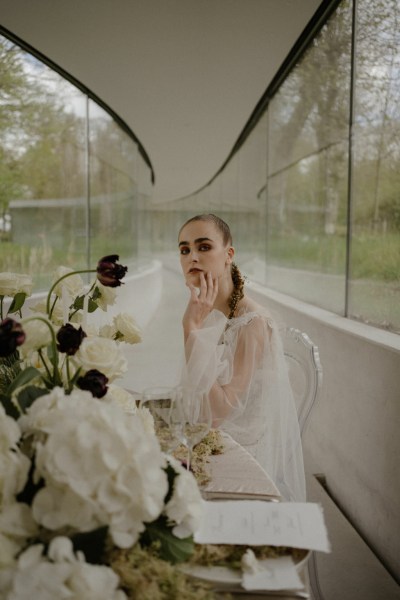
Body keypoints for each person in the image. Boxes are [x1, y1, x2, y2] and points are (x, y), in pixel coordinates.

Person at [178, 213, 306, 502]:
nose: (192, 257)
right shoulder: (206, 311)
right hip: (211, 440)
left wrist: (190, 330)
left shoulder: (253, 322)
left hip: (242, 457)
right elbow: (193, 393)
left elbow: (219, 412)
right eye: (185, 250)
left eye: (204, 247)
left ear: (229, 255)